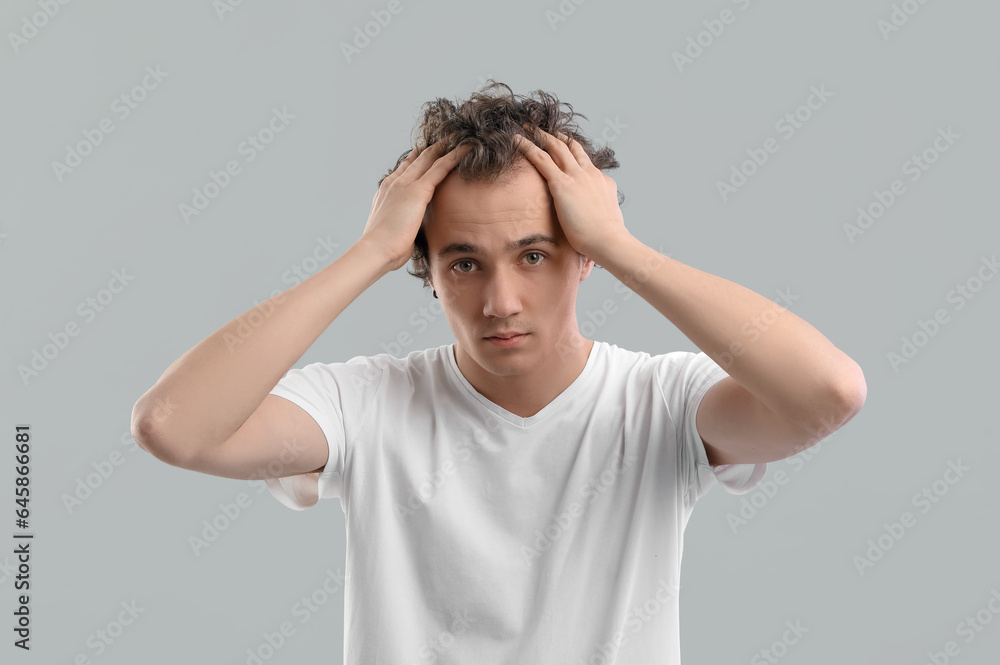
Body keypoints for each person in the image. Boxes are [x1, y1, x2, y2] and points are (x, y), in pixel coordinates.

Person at [131, 81, 866, 664]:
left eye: (535, 254)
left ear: (584, 258)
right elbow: (172, 426)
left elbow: (828, 393)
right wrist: (369, 254)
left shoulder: (659, 402)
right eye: (464, 263)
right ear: (429, 271)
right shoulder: (366, 405)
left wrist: (623, 246)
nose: (500, 301)